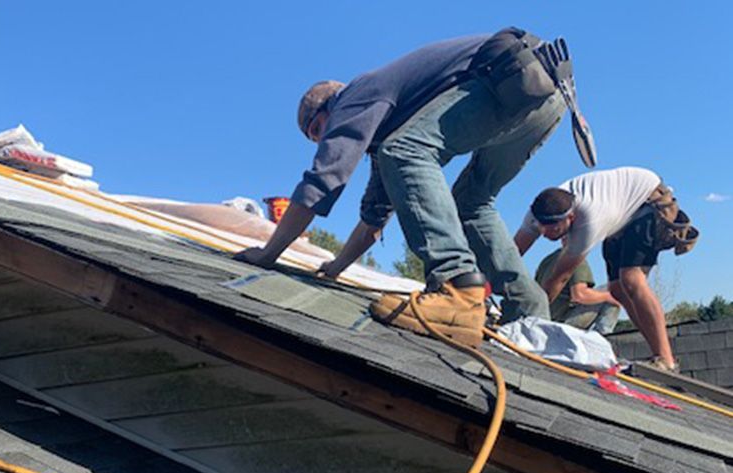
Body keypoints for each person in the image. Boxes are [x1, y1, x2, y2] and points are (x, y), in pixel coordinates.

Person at [238, 27, 596, 346]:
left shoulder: (354, 98)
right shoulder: (387, 121)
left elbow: (325, 178)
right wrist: (335, 267)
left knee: (405, 151)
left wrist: (269, 254)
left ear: (326, 110)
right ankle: (530, 310)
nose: (323, 142)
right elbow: (375, 217)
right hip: (546, 94)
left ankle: (458, 288)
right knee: (472, 202)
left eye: (317, 132)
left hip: (507, 75)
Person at [515, 167, 698, 371]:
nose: (545, 233)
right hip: (619, 211)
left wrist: (533, 320)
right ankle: (657, 353)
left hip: (647, 202)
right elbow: (511, 254)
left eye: (553, 228)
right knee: (617, 290)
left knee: (631, 279)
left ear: (571, 219)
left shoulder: (589, 222)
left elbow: (559, 278)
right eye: (541, 227)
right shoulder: (536, 213)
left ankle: (666, 360)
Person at [535, 241, 620, 334]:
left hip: (546, 320)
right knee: (616, 289)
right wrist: (610, 297)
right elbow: (580, 295)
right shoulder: (576, 259)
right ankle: (604, 335)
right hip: (564, 322)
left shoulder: (547, 261)